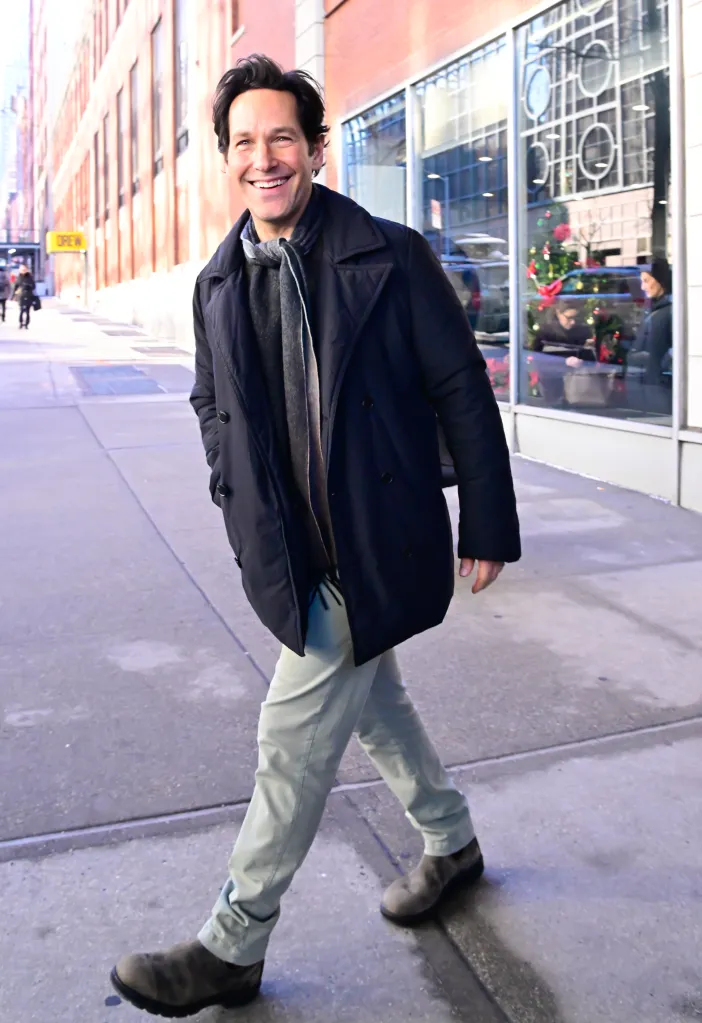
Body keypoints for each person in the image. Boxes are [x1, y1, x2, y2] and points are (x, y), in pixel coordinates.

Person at [110, 54, 521, 1018]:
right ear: (226, 158)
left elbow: (461, 385)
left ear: (315, 148)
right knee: (377, 704)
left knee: (289, 740)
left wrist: (489, 520)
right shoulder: (217, 283)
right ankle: (451, 842)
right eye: (246, 142)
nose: (266, 159)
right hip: (290, 549)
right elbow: (211, 400)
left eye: (283, 138)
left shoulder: (389, 253)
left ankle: (232, 942)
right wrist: (232, 490)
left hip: (373, 539)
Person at [626, 257, 673, 416]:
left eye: (646, 280)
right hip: (645, 387)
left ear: (660, 280)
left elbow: (672, 353)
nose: (642, 286)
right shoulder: (653, 309)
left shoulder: (670, 311)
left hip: (658, 390)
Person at [13, 265, 36, 329]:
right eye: (22, 270)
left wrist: (29, 286)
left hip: (28, 295)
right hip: (21, 296)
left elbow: (34, 286)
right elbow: (16, 286)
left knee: (28, 311)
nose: (23, 271)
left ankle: (26, 324)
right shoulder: (18, 277)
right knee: (21, 310)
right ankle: (20, 323)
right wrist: (13, 295)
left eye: (24, 270)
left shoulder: (30, 277)